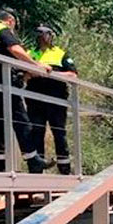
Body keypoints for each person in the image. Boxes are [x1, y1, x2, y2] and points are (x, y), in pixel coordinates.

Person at [0, 9, 47, 173]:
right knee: (21, 121)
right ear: (10, 20)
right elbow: (15, 49)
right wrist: (36, 66)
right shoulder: (1, 29)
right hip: (4, 84)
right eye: (14, 25)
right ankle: (33, 160)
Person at [27, 26, 77, 174]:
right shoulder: (30, 54)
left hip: (56, 100)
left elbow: (73, 75)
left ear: (51, 36)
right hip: (35, 100)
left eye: (45, 34)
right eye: (39, 34)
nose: (42, 37)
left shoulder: (60, 54)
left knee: (59, 133)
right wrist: (31, 73)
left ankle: (64, 169)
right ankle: (37, 169)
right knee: (36, 132)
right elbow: (23, 74)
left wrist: (51, 73)